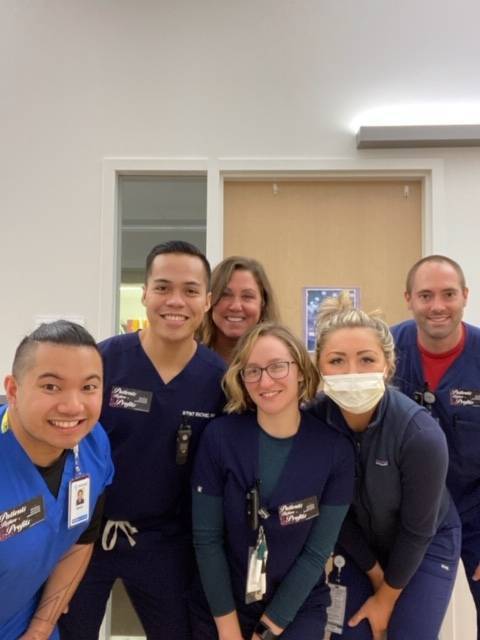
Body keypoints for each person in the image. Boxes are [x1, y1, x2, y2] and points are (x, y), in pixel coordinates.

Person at [60, 241, 226, 640]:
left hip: (165, 543)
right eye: (163, 287)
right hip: (84, 537)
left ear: (206, 300)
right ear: (145, 294)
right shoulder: (103, 362)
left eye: (189, 291)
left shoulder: (218, 380)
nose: (175, 301)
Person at [309, 294, 461, 640]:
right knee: (354, 632)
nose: (352, 372)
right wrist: (377, 577)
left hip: (425, 541)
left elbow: (418, 529)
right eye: (336, 360)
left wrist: (387, 598)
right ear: (319, 366)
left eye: (366, 359)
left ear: (388, 365)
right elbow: (333, 512)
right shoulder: (314, 423)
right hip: (359, 542)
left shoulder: (420, 434)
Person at [189, 323, 354, 640]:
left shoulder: (335, 451)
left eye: (278, 367)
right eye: (253, 371)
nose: (265, 381)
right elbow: (206, 540)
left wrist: (265, 632)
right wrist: (229, 632)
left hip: (295, 609)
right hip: (224, 605)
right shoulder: (220, 438)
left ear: (301, 372)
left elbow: (317, 554)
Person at [0, 320, 113, 640]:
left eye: (89, 387)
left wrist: (40, 628)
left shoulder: (93, 445)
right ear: (13, 390)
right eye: (51, 386)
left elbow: (80, 540)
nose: (73, 406)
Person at [391, 254, 480, 637]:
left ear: (465, 295)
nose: (437, 306)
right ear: (408, 298)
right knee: (406, 625)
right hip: (407, 515)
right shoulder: (385, 350)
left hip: (476, 510)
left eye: (448, 294)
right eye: (426, 295)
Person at [200, 256, 280, 363]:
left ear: (263, 303)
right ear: (209, 300)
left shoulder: (280, 362)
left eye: (247, 296)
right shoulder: (188, 359)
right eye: (225, 295)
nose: (235, 306)